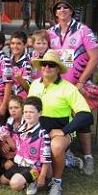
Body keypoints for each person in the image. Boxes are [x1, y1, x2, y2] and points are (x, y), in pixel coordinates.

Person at [29, 49, 93, 195]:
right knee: (46, 169)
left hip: (60, 133)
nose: (47, 68)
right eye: (44, 64)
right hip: (39, 132)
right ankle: (69, 161)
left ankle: (57, 182)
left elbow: (86, 115)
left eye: (51, 65)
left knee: (56, 147)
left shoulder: (68, 88)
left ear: (58, 68)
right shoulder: (34, 85)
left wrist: (64, 131)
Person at [47, 0, 98, 176]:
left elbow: (95, 57)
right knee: (57, 116)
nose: (62, 10)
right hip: (56, 85)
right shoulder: (50, 32)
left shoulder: (84, 30)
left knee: (81, 118)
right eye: (58, 7)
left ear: (71, 10)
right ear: (55, 12)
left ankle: (88, 156)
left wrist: (82, 81)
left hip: (78, 85)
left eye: (66, 7)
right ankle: (66, 152)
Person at [0, 96, 51, 195]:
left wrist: (42, 176)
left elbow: (46, 158)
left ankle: (33, 180)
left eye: (31, 112)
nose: (28, 115)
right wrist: (7, 138)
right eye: (26, 112)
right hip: (20, 164)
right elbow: (15, 146)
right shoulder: (20, 129)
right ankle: (24, 178)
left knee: (15, 184)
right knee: (2, 180)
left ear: (39, 113)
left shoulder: (42, 134)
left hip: (34, 167)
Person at [0, 95, 25, 171]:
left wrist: (8, 138)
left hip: (22, 153)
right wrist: (2, 144)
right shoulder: (9, 121)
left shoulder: (26, 124)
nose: (13, 110)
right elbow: (2, 137)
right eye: (11, 108)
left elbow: (18, 146)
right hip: (12, 151)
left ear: (22, 109)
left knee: (8, 165)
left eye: (16, 108)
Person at [10, 31, 32, 99]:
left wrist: (20, 79)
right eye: (13, 43)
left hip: (22, 101)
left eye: (19, 44)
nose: (15, 46)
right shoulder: (8, 61)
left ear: (25, 45)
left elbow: (28, 88)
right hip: (9, 99)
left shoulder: (27, 63)